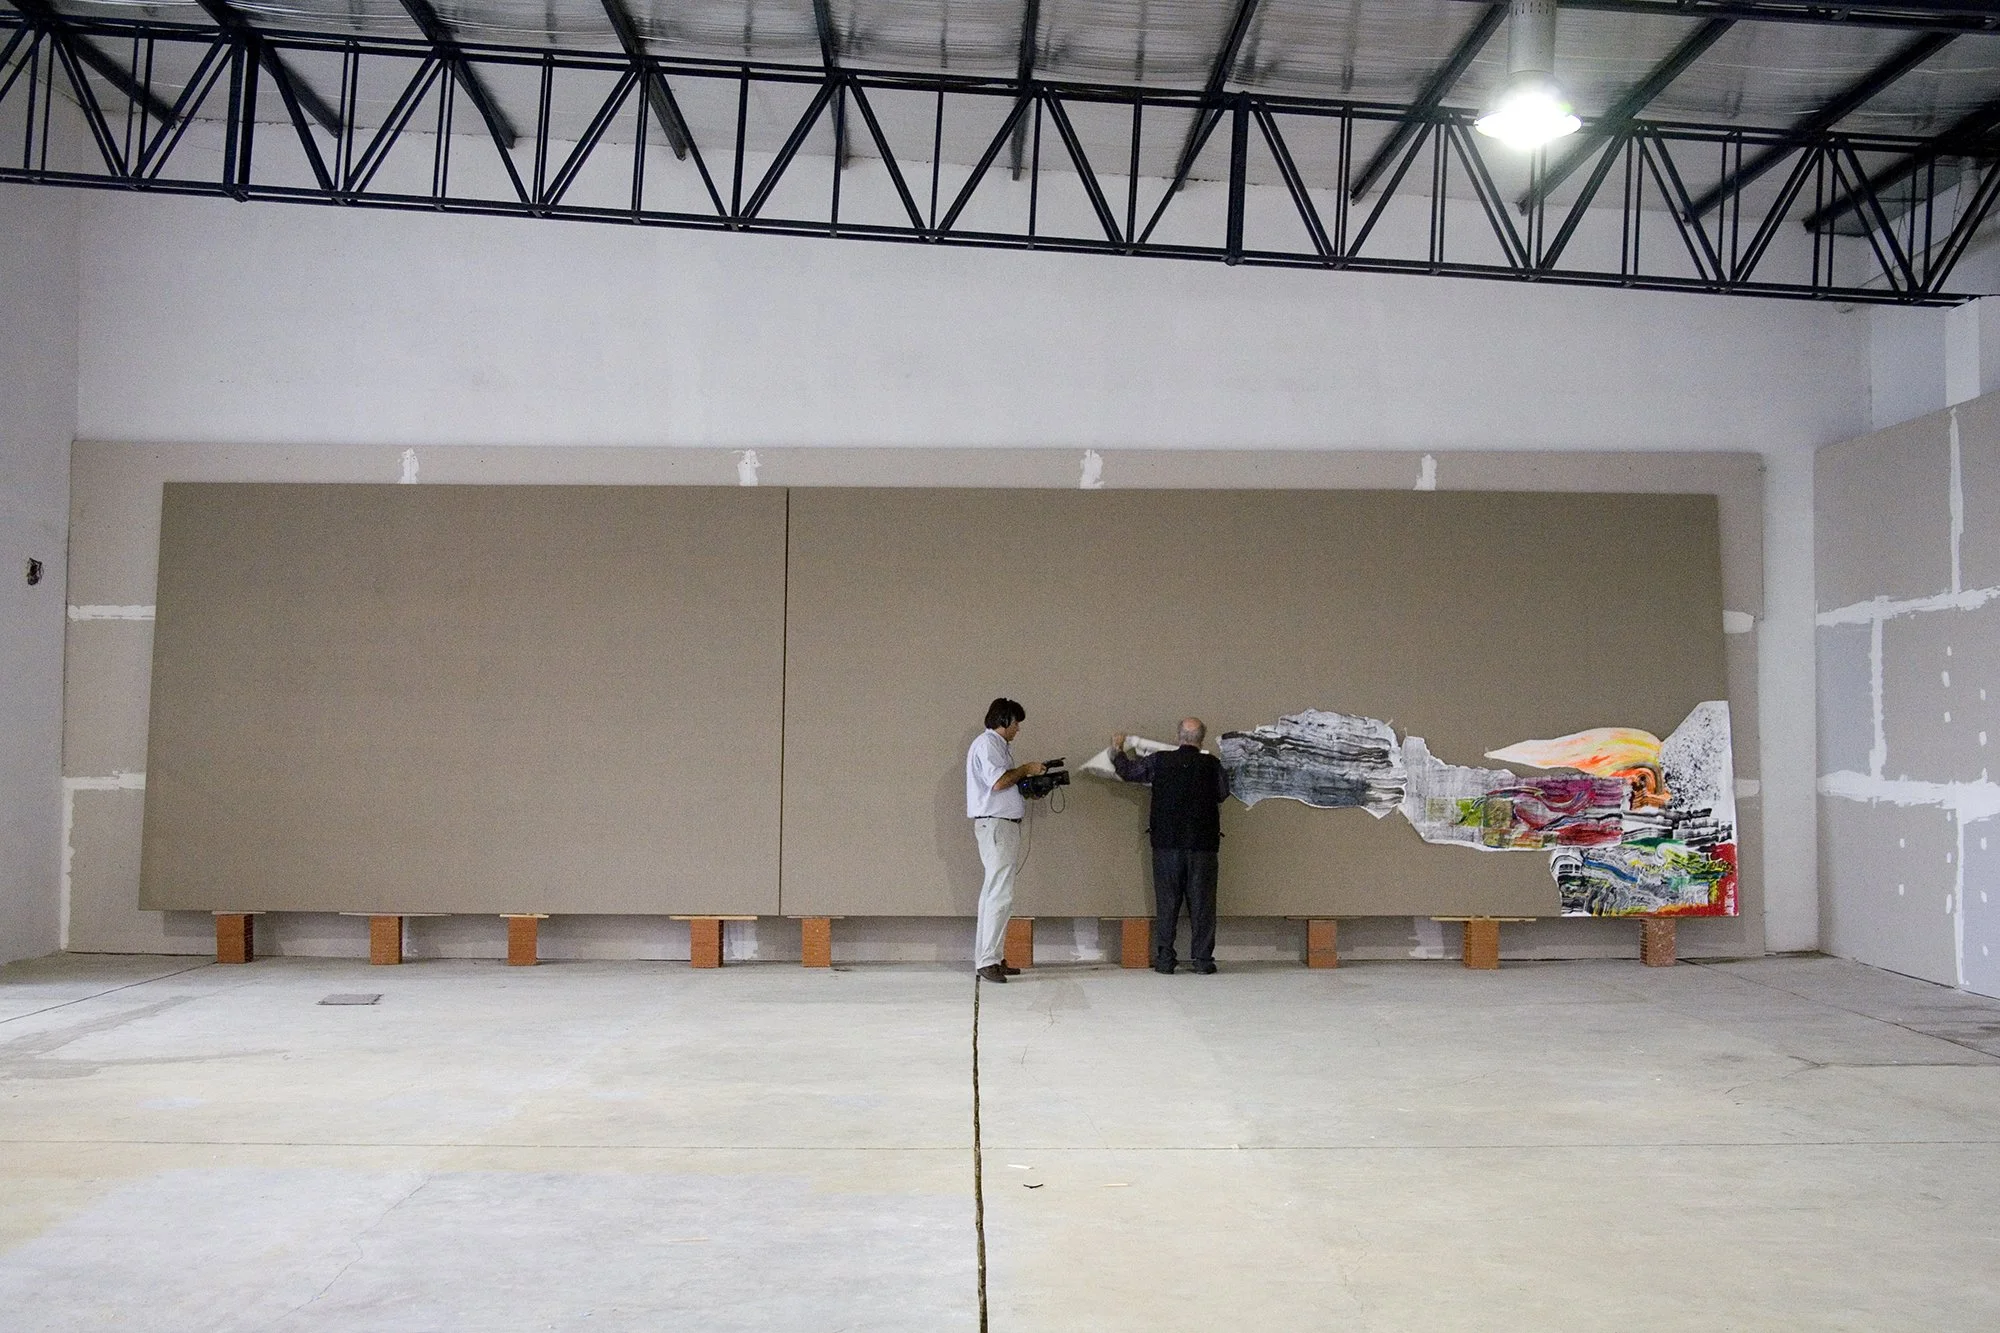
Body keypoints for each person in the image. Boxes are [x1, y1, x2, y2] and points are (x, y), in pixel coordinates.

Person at [1110, 719, 1230, 974]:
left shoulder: (1159, 761)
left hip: (1166, 844)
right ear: (1201, 739)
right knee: (1203, 906)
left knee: (1167, 903)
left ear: (1179, 736)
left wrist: (1118, 750)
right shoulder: (1212, 765)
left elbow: (1129, 772)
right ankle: (1203, 961)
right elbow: (1222, 793)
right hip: (1203, 846)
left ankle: (1165, 960)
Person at [965, 698, 1047, 984]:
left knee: (995, 893)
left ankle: (992, 957)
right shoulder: (988, 744)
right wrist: (1026, 769)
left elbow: (1002, 786)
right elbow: (998, 782)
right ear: (1003, 720)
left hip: (1000, 825)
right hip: (997, 826)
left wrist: (1027, 787)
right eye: (1016, 723)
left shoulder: (996, 746)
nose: (1018, 729)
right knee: (999, 894)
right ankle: (987, 960)